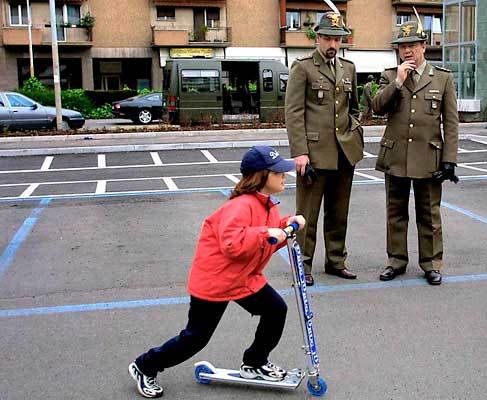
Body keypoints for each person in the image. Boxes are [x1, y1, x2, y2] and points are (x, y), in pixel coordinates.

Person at [128, 146, 306, 398]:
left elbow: (267, 235)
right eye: (278, 173)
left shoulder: (268, 205)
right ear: (261, 176)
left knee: (275, 309)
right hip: (216, 280)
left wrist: (286, 224)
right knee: (195, 338)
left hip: (243, 277)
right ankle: (145, 365)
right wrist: (268, 233)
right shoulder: (241, 205)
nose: (284, 176)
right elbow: (233, 244)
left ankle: (255, 362)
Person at [372, 18, 459, 286]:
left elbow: (451, 123)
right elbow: (376, 107)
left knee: (429, 214)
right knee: (395, 212)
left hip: (428, 158)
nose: (407, 50)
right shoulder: (390, 75)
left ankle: (431, 264)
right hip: (396, 156)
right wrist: (397, 82)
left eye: (412, 45)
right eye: (402, 46)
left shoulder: (442, 78)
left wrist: (449, 160)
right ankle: (396, 261)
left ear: (424, 46)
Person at [285, 11, 364, 287]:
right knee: (307, 216)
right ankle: (302, 266)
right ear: (317, 38)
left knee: (338, 212)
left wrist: (355, 133)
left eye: (337, 39)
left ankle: (336, 261)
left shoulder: (349, 68)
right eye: (328, 38)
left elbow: (354, 108)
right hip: (314, 155)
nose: (333, 44)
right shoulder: (303, 67)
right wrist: (300, 152)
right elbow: (293, 113)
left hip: (344, 154)